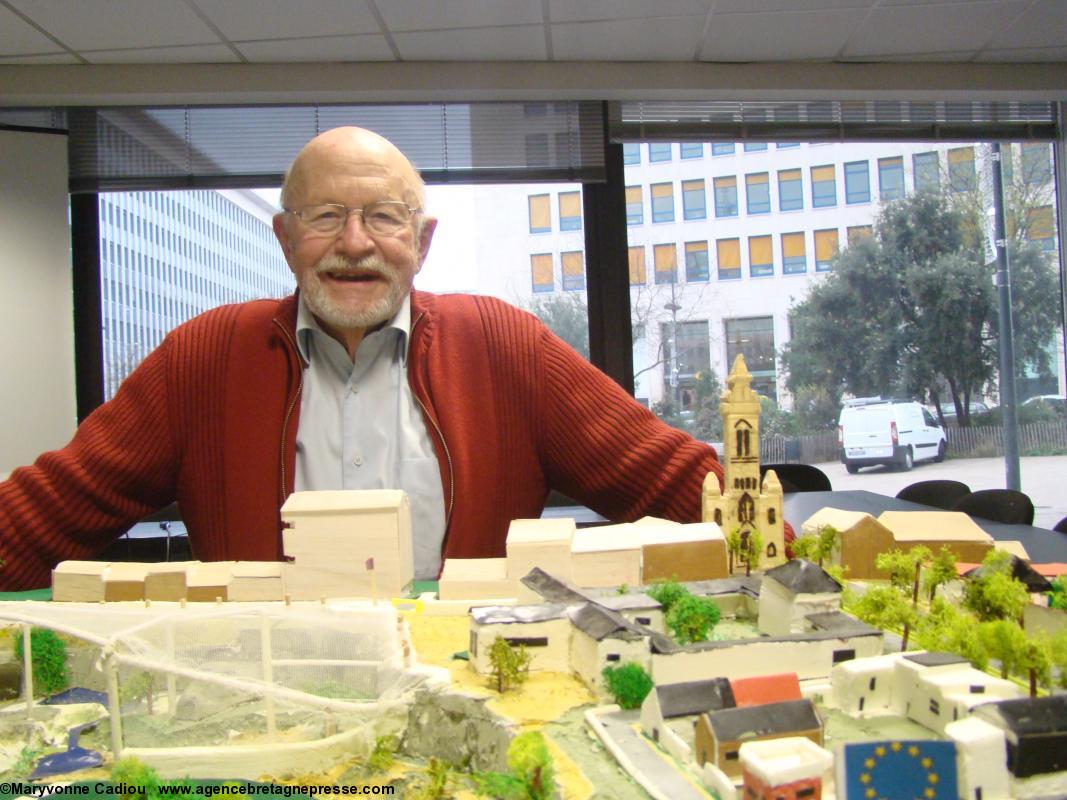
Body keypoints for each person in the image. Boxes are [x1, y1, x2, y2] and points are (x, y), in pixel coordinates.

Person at [0, 126, 723, 590]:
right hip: (268, 693)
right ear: (285, 240)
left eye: (382, 216)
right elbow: (46, 514)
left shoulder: (506, 348)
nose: (354, 242)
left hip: (472, 682)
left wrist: (790, 557)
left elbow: (673, 481)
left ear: (422, 240)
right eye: (324, 217)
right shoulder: (205, 357)